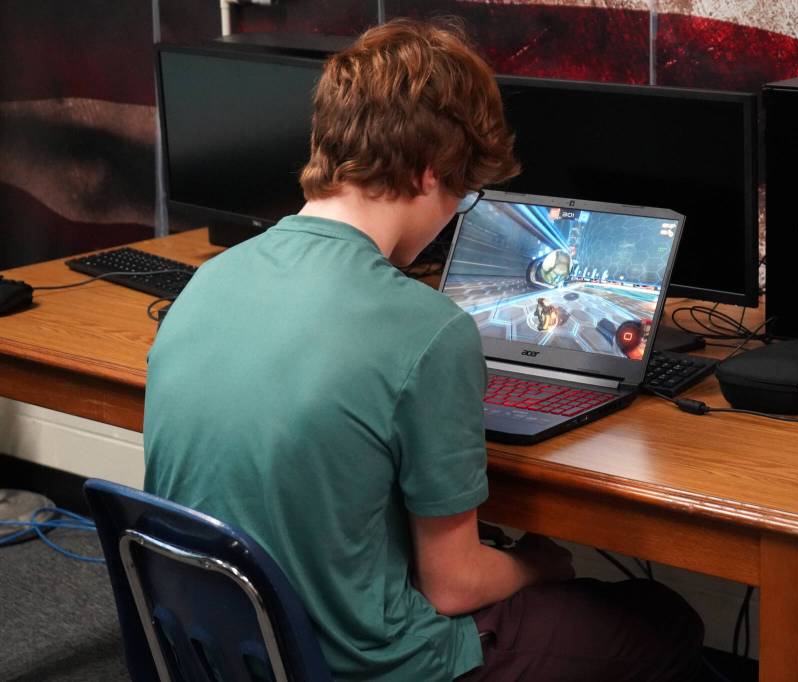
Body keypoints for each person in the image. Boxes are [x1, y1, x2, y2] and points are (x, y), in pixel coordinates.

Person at [144, 18, 703, 681]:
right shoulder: (427, 329)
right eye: (463, 194)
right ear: (431, 171)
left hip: (215, 650)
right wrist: (540, 565)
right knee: (662, 619)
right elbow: (454, 587)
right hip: (362, 668)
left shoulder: (208, 284)